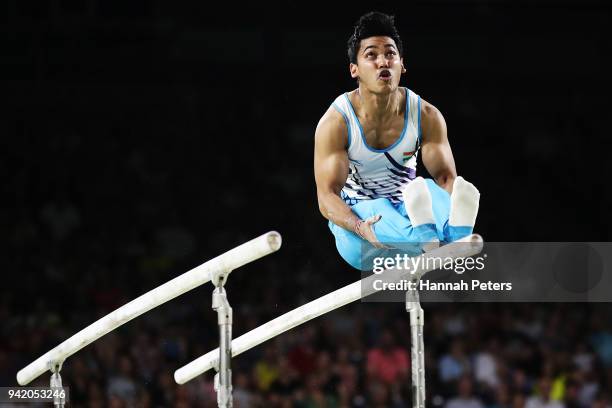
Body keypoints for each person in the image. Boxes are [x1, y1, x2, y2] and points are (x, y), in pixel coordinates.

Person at [313, 11, 481, 270]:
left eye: (390, 54)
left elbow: (448, 180)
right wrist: (357, 225)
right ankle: (444, 238)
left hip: (409, 210)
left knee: (433, 191)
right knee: (379, 220)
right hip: (360, 227)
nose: (383, 62)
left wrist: (441, 207)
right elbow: (326, 196)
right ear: (354, 69)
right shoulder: (337, 122)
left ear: (401, 64)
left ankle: (437, 236)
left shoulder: (426, 115)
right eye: (371, 55)